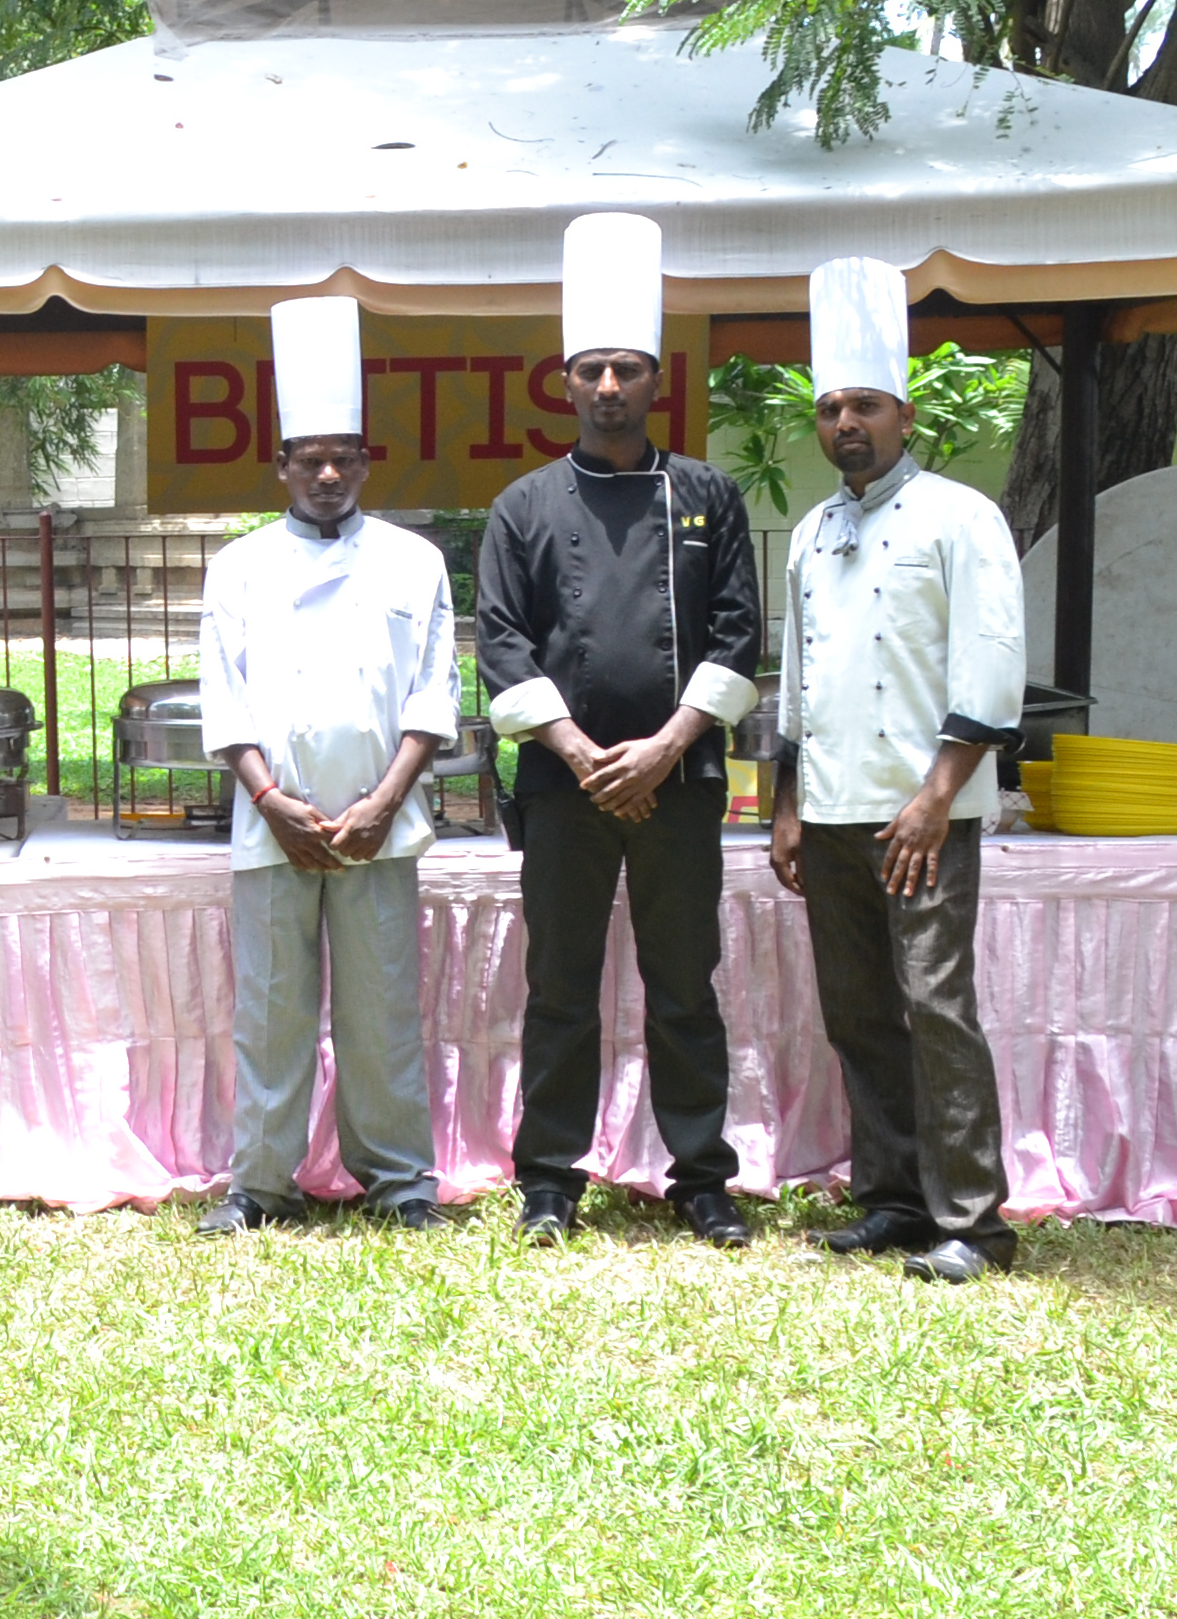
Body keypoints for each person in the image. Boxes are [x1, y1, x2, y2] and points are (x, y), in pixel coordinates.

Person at [477, 211, 769, 1246]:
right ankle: (548, 1179)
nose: (610, 387)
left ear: (657, 384)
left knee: (685, 985)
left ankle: (701, 1177)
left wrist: (666, 747)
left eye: (628, 370)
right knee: (558, 988)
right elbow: (502, 646)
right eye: (592, 369)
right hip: (565, 790)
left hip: (679, 786)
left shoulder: (708, 496)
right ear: (564, 382)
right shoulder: (521, 507)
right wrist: (577, 752)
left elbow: (741, 637)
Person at [769, 257, 1033, 1285]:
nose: (848, 423)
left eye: (866, 405)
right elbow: (797, 679)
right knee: (858, 1009)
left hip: (926, 810)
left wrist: (937, 797)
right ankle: (889, 1199)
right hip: (830, 809)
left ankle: (972, 1220)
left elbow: (992, 665)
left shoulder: (963, 517)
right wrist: (785, 806)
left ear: (906, 413)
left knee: (935, 1004)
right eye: (833, 407)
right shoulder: (812, 529)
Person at [193, 295, 458, 1233]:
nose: (330, 472)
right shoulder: (237, 566)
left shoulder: (416, 562)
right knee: (269, 1014)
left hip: (380, 826)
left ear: (367, 461)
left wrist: (386, 802)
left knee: (383, 1013)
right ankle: (259, 1185)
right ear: (283, 467)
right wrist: (271, 801)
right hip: (275, 826)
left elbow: (434, 693)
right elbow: (223, 696)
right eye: (312, 458)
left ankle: (401, 1184)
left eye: (346, 454)